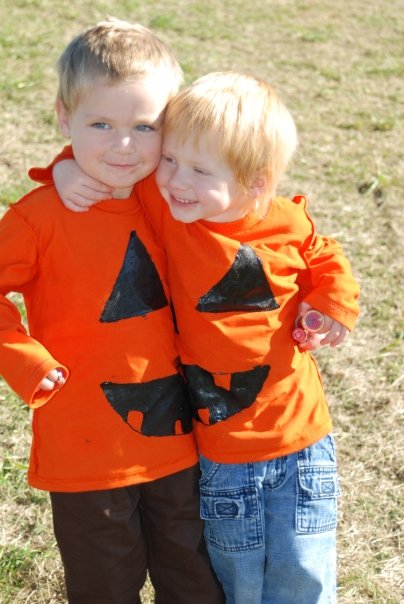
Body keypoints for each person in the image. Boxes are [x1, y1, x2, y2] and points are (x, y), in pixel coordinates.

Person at [30, 72, 360, 603]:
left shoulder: (283, 220)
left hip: (301, 441)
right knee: (236, 575)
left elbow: (325, 255)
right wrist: (64, 169)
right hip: (218, 451)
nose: (176, 180)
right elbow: (114, 166)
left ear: (256, 181)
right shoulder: (167, 208)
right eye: (171, 160)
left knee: (303, 573)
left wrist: (332, 303)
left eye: (199, 170)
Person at [0, 19, 225, 604]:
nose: (124, 146)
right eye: (100, 124)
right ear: (62, 116)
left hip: (177, 438)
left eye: (144, 127)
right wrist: (20, 358)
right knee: (105, 585)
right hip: (85, 445)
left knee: (194, 577)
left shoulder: (168, 198)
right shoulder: (39, 218)